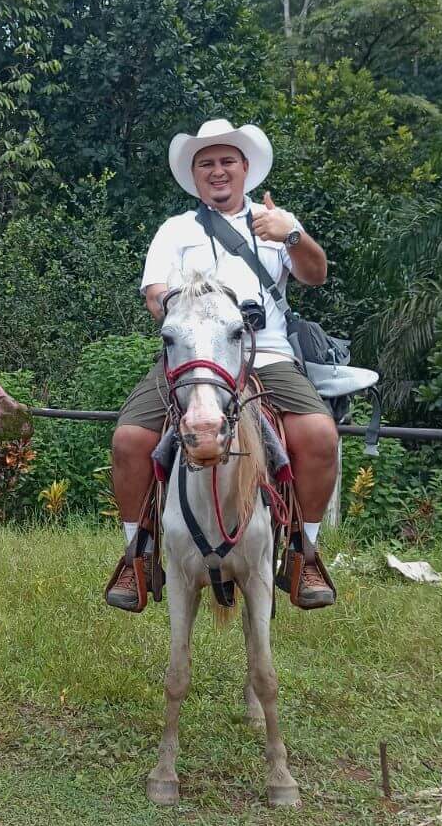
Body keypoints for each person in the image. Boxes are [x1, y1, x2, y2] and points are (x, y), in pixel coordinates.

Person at [104, 119, 337, 610]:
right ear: (195, 175)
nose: (218, 171)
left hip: (267, 355)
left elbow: (315, 275)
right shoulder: (176, 230)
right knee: (129, 439)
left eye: (227, 160)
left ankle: (303, 552)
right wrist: (196, 307)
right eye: (206, 163)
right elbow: (155, 297)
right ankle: (138, 554)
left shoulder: (277, 222)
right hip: (193, 355)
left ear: (245, 168)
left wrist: (292, 234)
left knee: (319, 435)